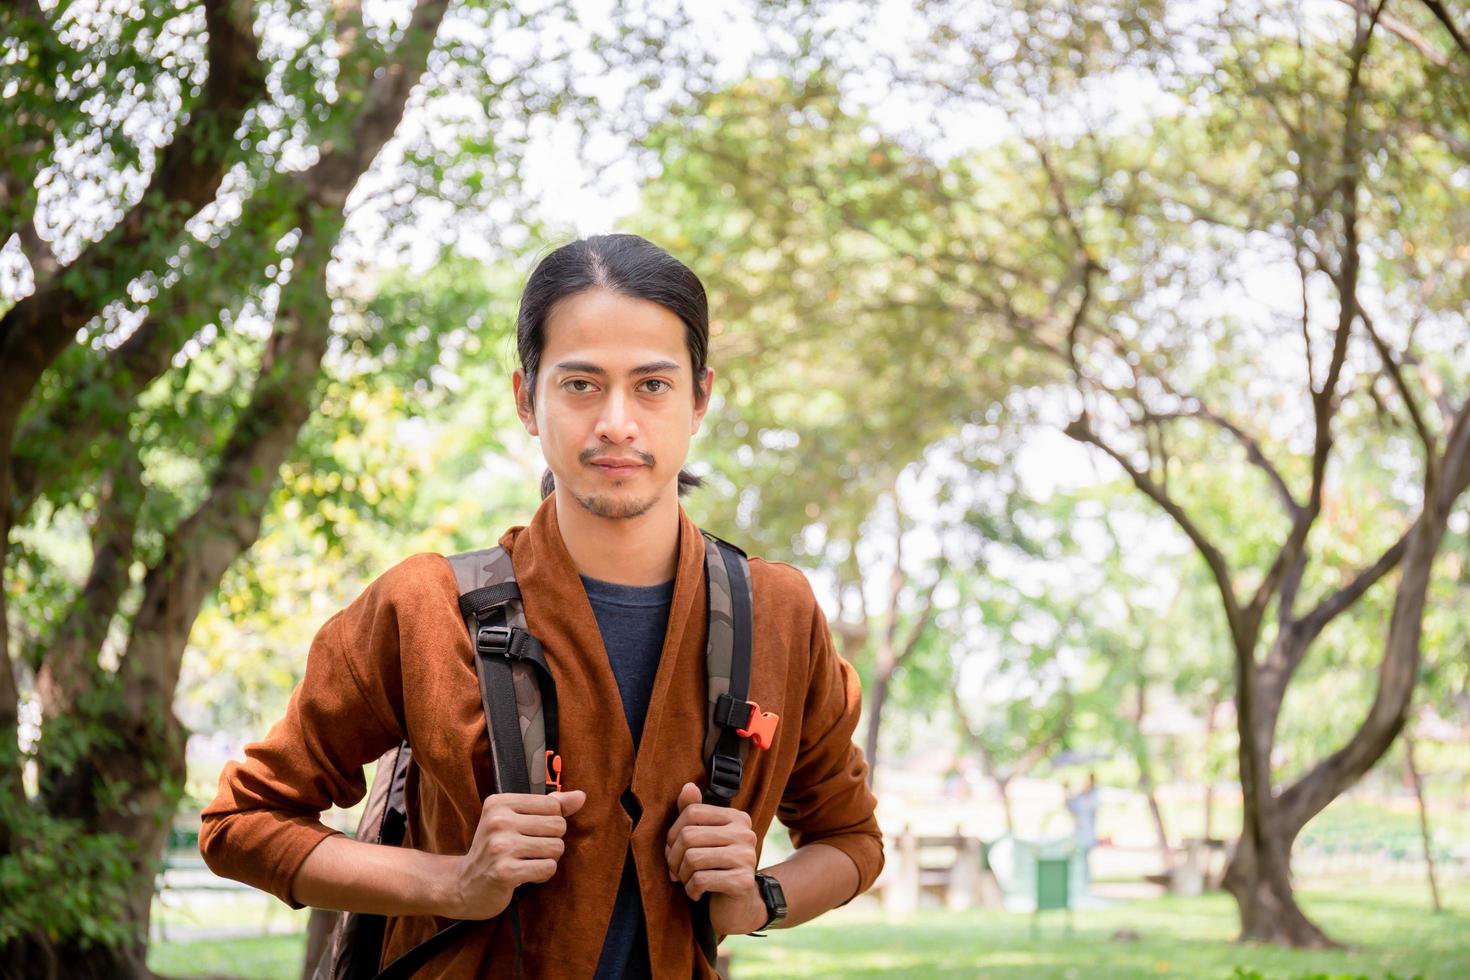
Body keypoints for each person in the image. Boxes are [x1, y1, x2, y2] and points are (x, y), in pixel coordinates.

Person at [198, 234, 884, 978]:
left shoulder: (776, 614)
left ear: (700, 399)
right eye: (580, 384)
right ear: (528, 399)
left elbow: (852, 839)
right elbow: (241, 822)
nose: (616, 421)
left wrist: (758, 899)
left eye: (652, 385)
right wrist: (454, 882)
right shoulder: (424, 610)